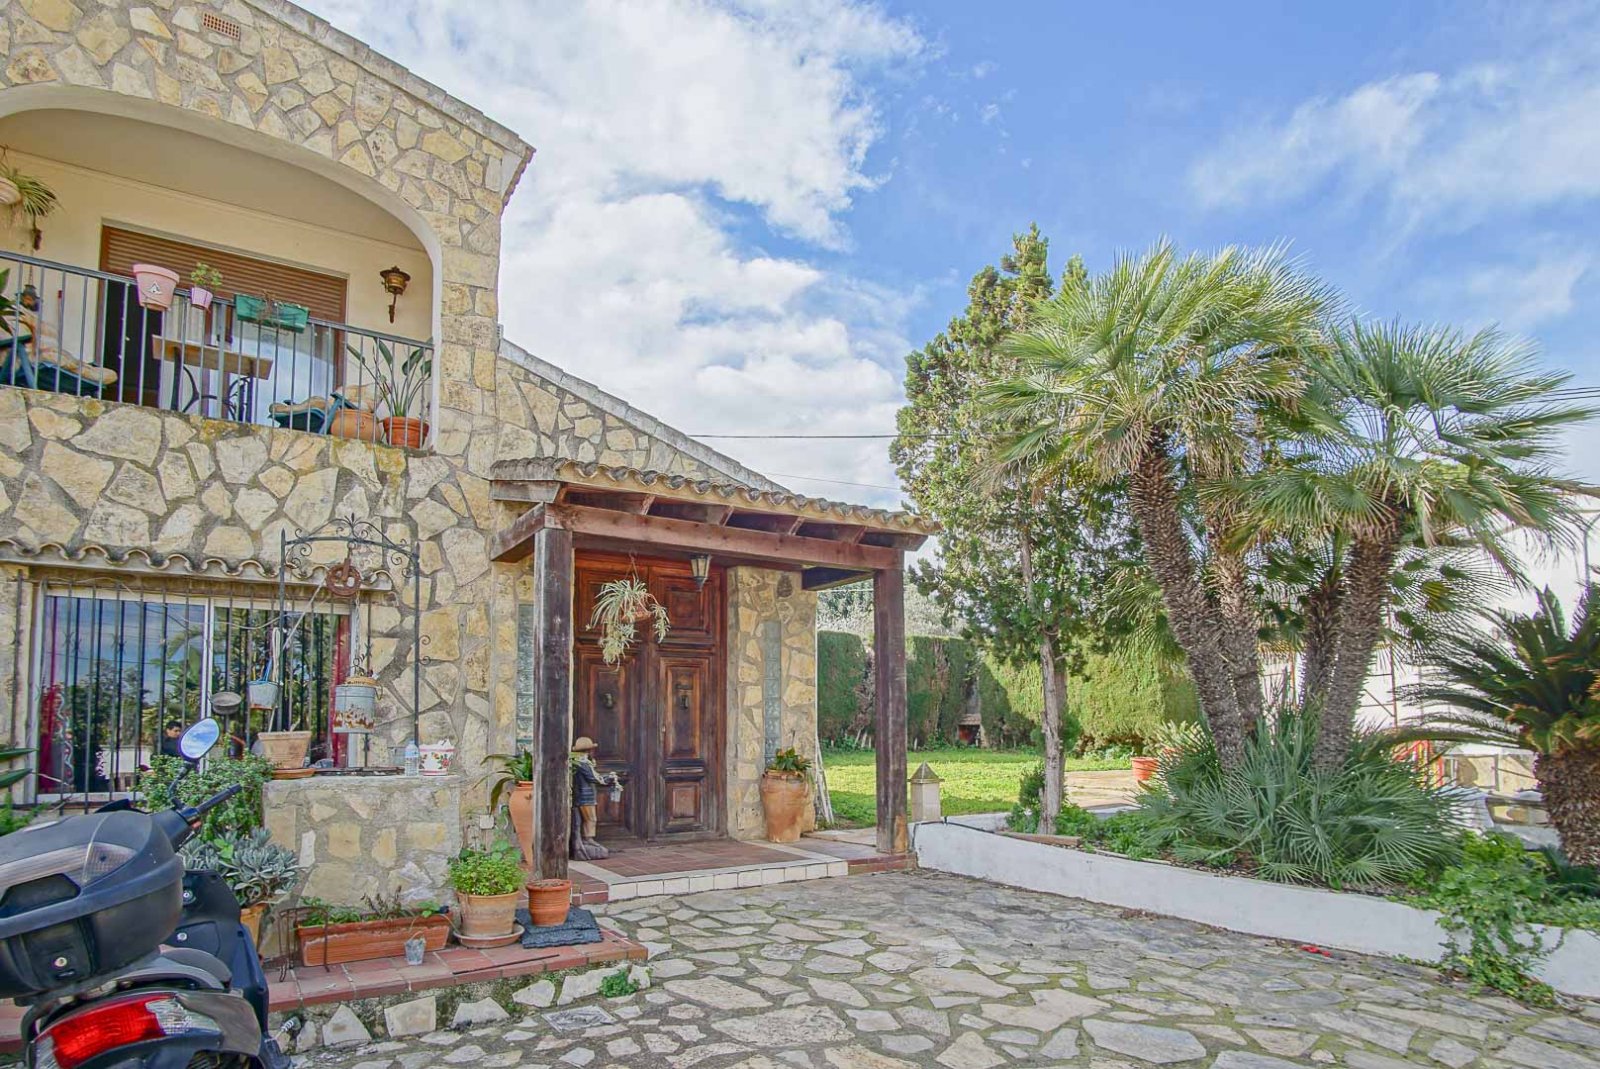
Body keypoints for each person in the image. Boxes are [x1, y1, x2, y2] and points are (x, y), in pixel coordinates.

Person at [570, 737, 618, 859]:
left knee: (589, 818)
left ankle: (587, 838)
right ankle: (588, 838)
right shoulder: (583, 763)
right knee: (591, 818)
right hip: (585, 796)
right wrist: (608, 778)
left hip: (585, 795)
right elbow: (593, 778)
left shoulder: (580, 762)